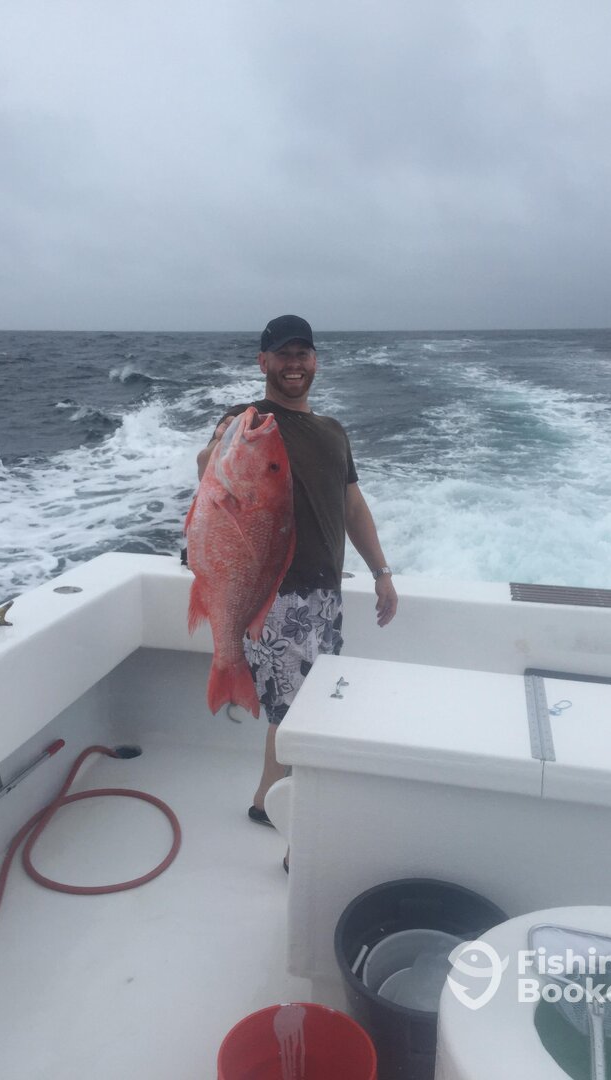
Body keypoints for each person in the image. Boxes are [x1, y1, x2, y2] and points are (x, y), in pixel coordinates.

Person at [196, 314, 398, 834]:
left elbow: (352, 505)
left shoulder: (333, 432)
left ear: (315, 362)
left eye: (302, 354)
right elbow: (207, 469)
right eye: (283, 354)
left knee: (304, 703)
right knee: (294, 710)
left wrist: (381, 571)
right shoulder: (249, 421)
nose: (293, 364)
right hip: (275, 595)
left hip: (324, 595)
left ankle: (271, 798)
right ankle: (280, 805)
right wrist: (217, 445)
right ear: (262, 362)